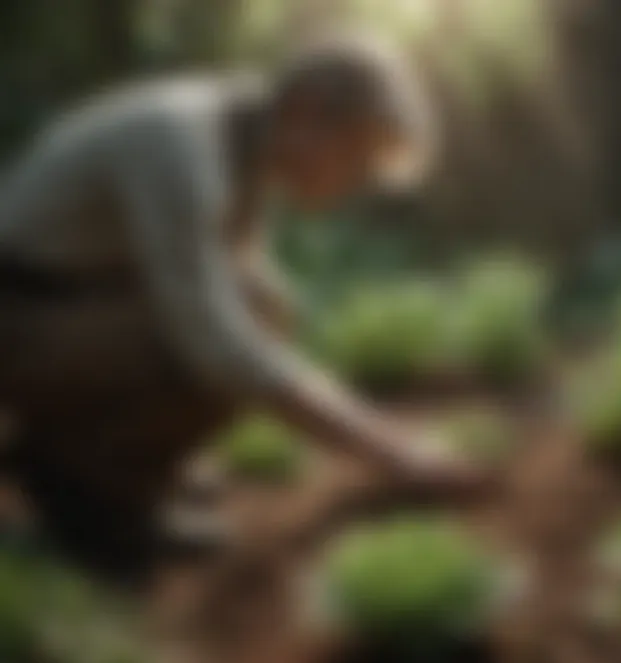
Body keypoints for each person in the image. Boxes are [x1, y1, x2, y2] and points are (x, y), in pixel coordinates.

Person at [0, 32, 483, 575]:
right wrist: (390, 448)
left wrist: (289, 346)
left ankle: (123, 468)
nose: (354, 185)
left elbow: (246, 276)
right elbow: (213, 338)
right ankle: (74, 492)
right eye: (355, 159)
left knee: (265, 309)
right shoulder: (179, 148)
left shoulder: (244, 130)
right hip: (19, 313)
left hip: (71, 299)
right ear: (307, 111)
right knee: (210, 348)